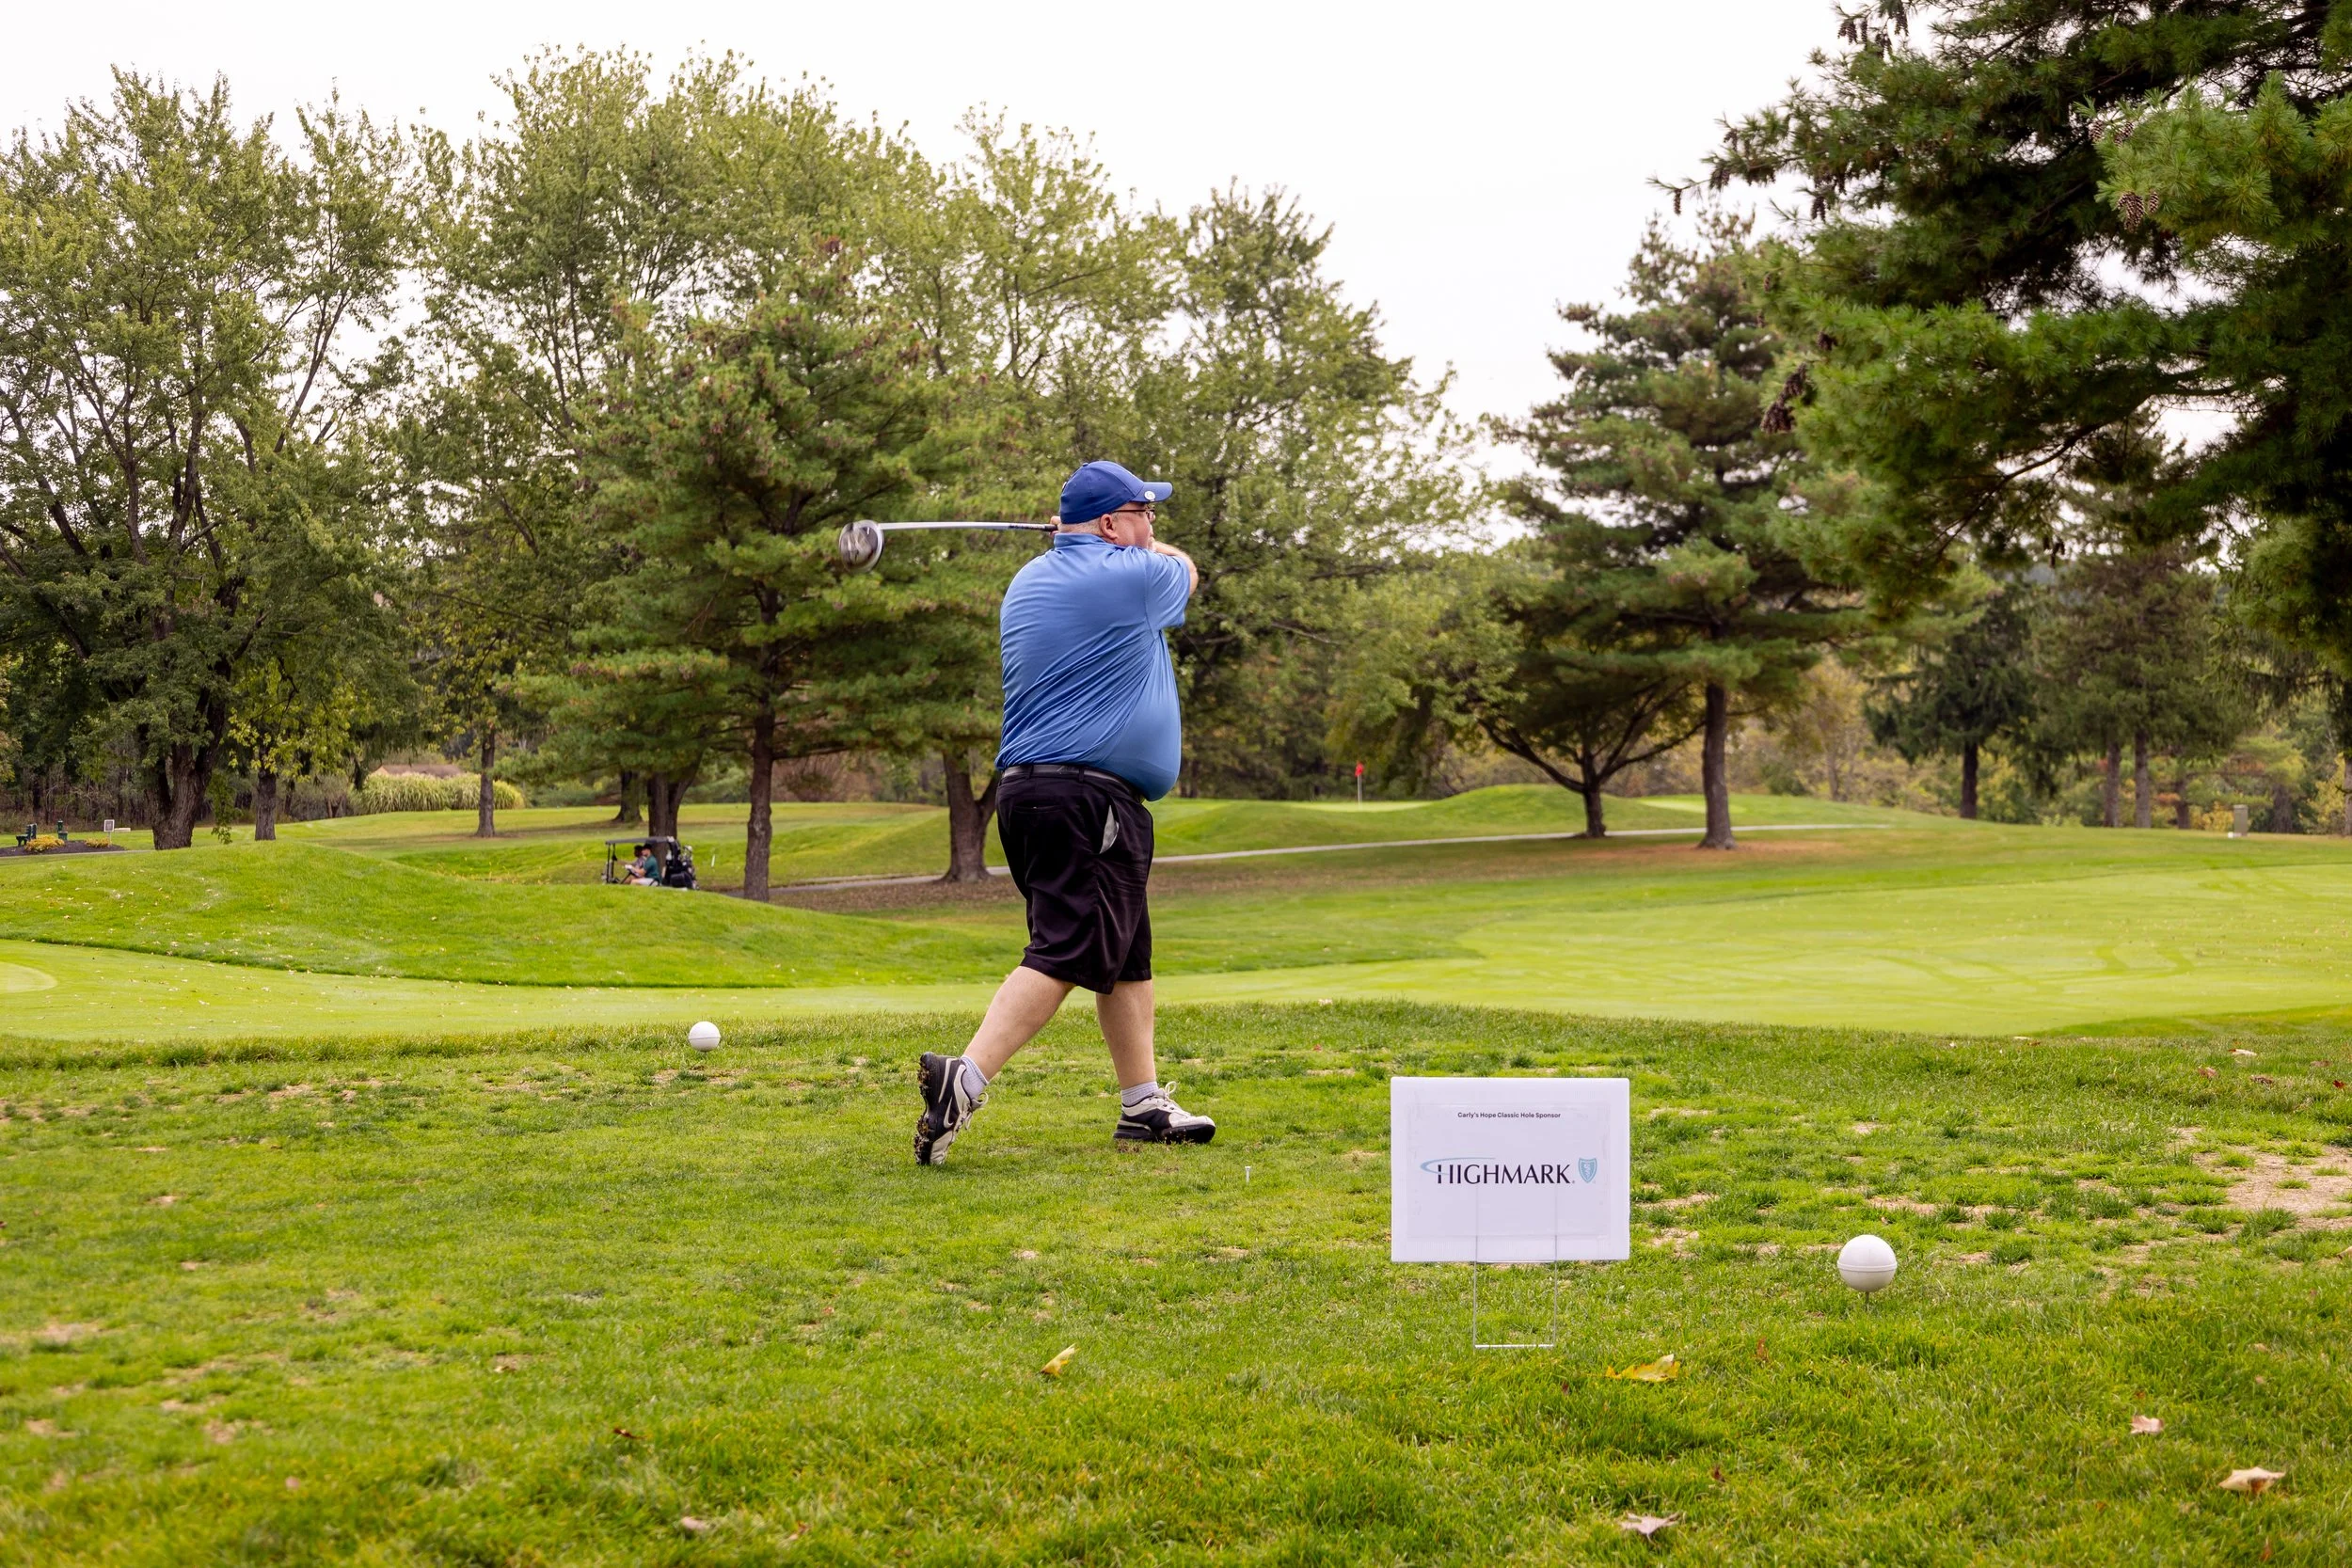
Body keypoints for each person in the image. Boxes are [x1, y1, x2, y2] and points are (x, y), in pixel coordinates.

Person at [913, 459, 1216, 1164]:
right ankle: (968, 1077)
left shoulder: (1030, 579)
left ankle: (1143, 1104)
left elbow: (1110, 560)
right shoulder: (1133, 574)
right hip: (1088, 798)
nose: (1153, 528)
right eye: (1144, 514)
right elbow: (1188, 572)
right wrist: (1132, 547)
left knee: (1127, 955)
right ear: (1112, 525)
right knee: (1065, 949)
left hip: (1034, 794)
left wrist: (1085, 539)